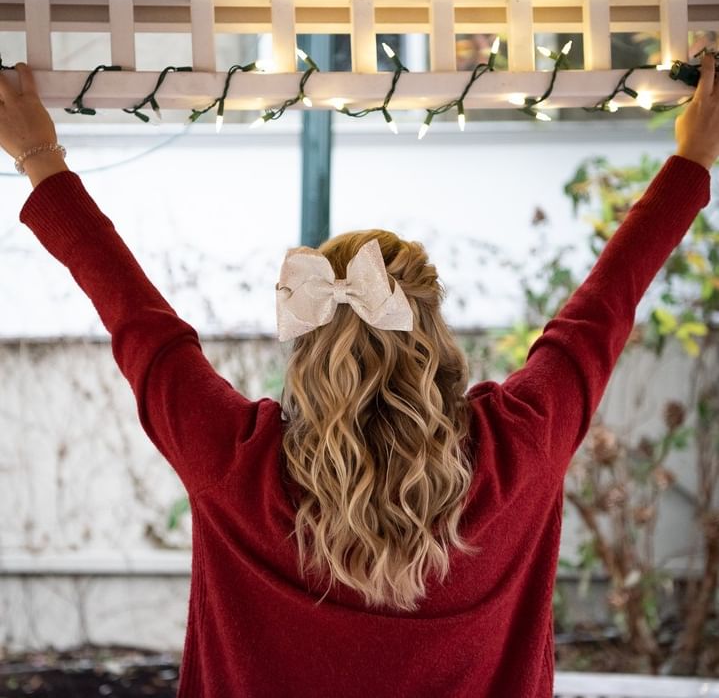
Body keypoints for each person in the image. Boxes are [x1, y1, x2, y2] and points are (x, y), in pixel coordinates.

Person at [0, 52, 716, 698]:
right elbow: (603, 305)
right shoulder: (519, 448)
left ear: (304, 338)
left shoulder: (231, 460)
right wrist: (692, 158)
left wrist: (40, 157)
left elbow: (137, 318)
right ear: (431, 332)